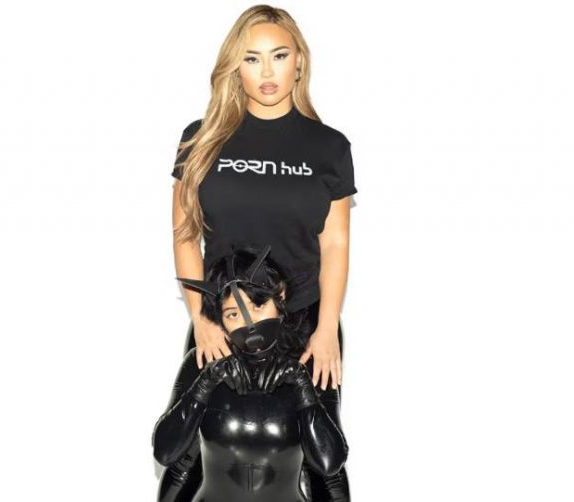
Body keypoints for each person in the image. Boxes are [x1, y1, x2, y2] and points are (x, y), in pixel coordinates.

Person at [170, 4, 357, 500]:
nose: (267, 71)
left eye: (279, 55)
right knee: (187, 449)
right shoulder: (200, 140)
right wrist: (202, 320)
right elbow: (185, 235)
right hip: (223, 320)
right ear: (236, 67)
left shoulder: (329, 147)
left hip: (304, 319)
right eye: (252, 59)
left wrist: (326, 328)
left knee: (323, 459)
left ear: (299, 61)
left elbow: (335, 242)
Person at [153, 245, 350, 501]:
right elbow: (166, 454)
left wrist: (303, 387)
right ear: (221, 321)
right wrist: (205, 384)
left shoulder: (309, 364)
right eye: (233, 313)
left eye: (258, 305)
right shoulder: (204, 363)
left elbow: (329, 465)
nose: (249, 324)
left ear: (279, 299)